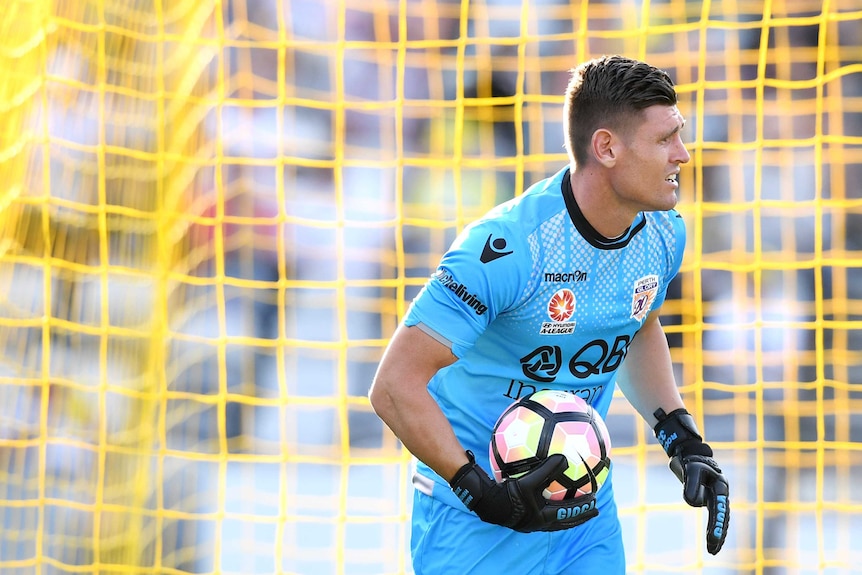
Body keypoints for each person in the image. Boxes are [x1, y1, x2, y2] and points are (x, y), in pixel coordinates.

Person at [368, 55, 730, 574]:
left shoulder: (665, 234)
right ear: (606, 147)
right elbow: (393, 386)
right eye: (664, 139)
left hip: (585, 517)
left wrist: (683, 438)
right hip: (475, 522)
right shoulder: (507, 249)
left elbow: (636, 324)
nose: (684, 155)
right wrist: (482, 492)